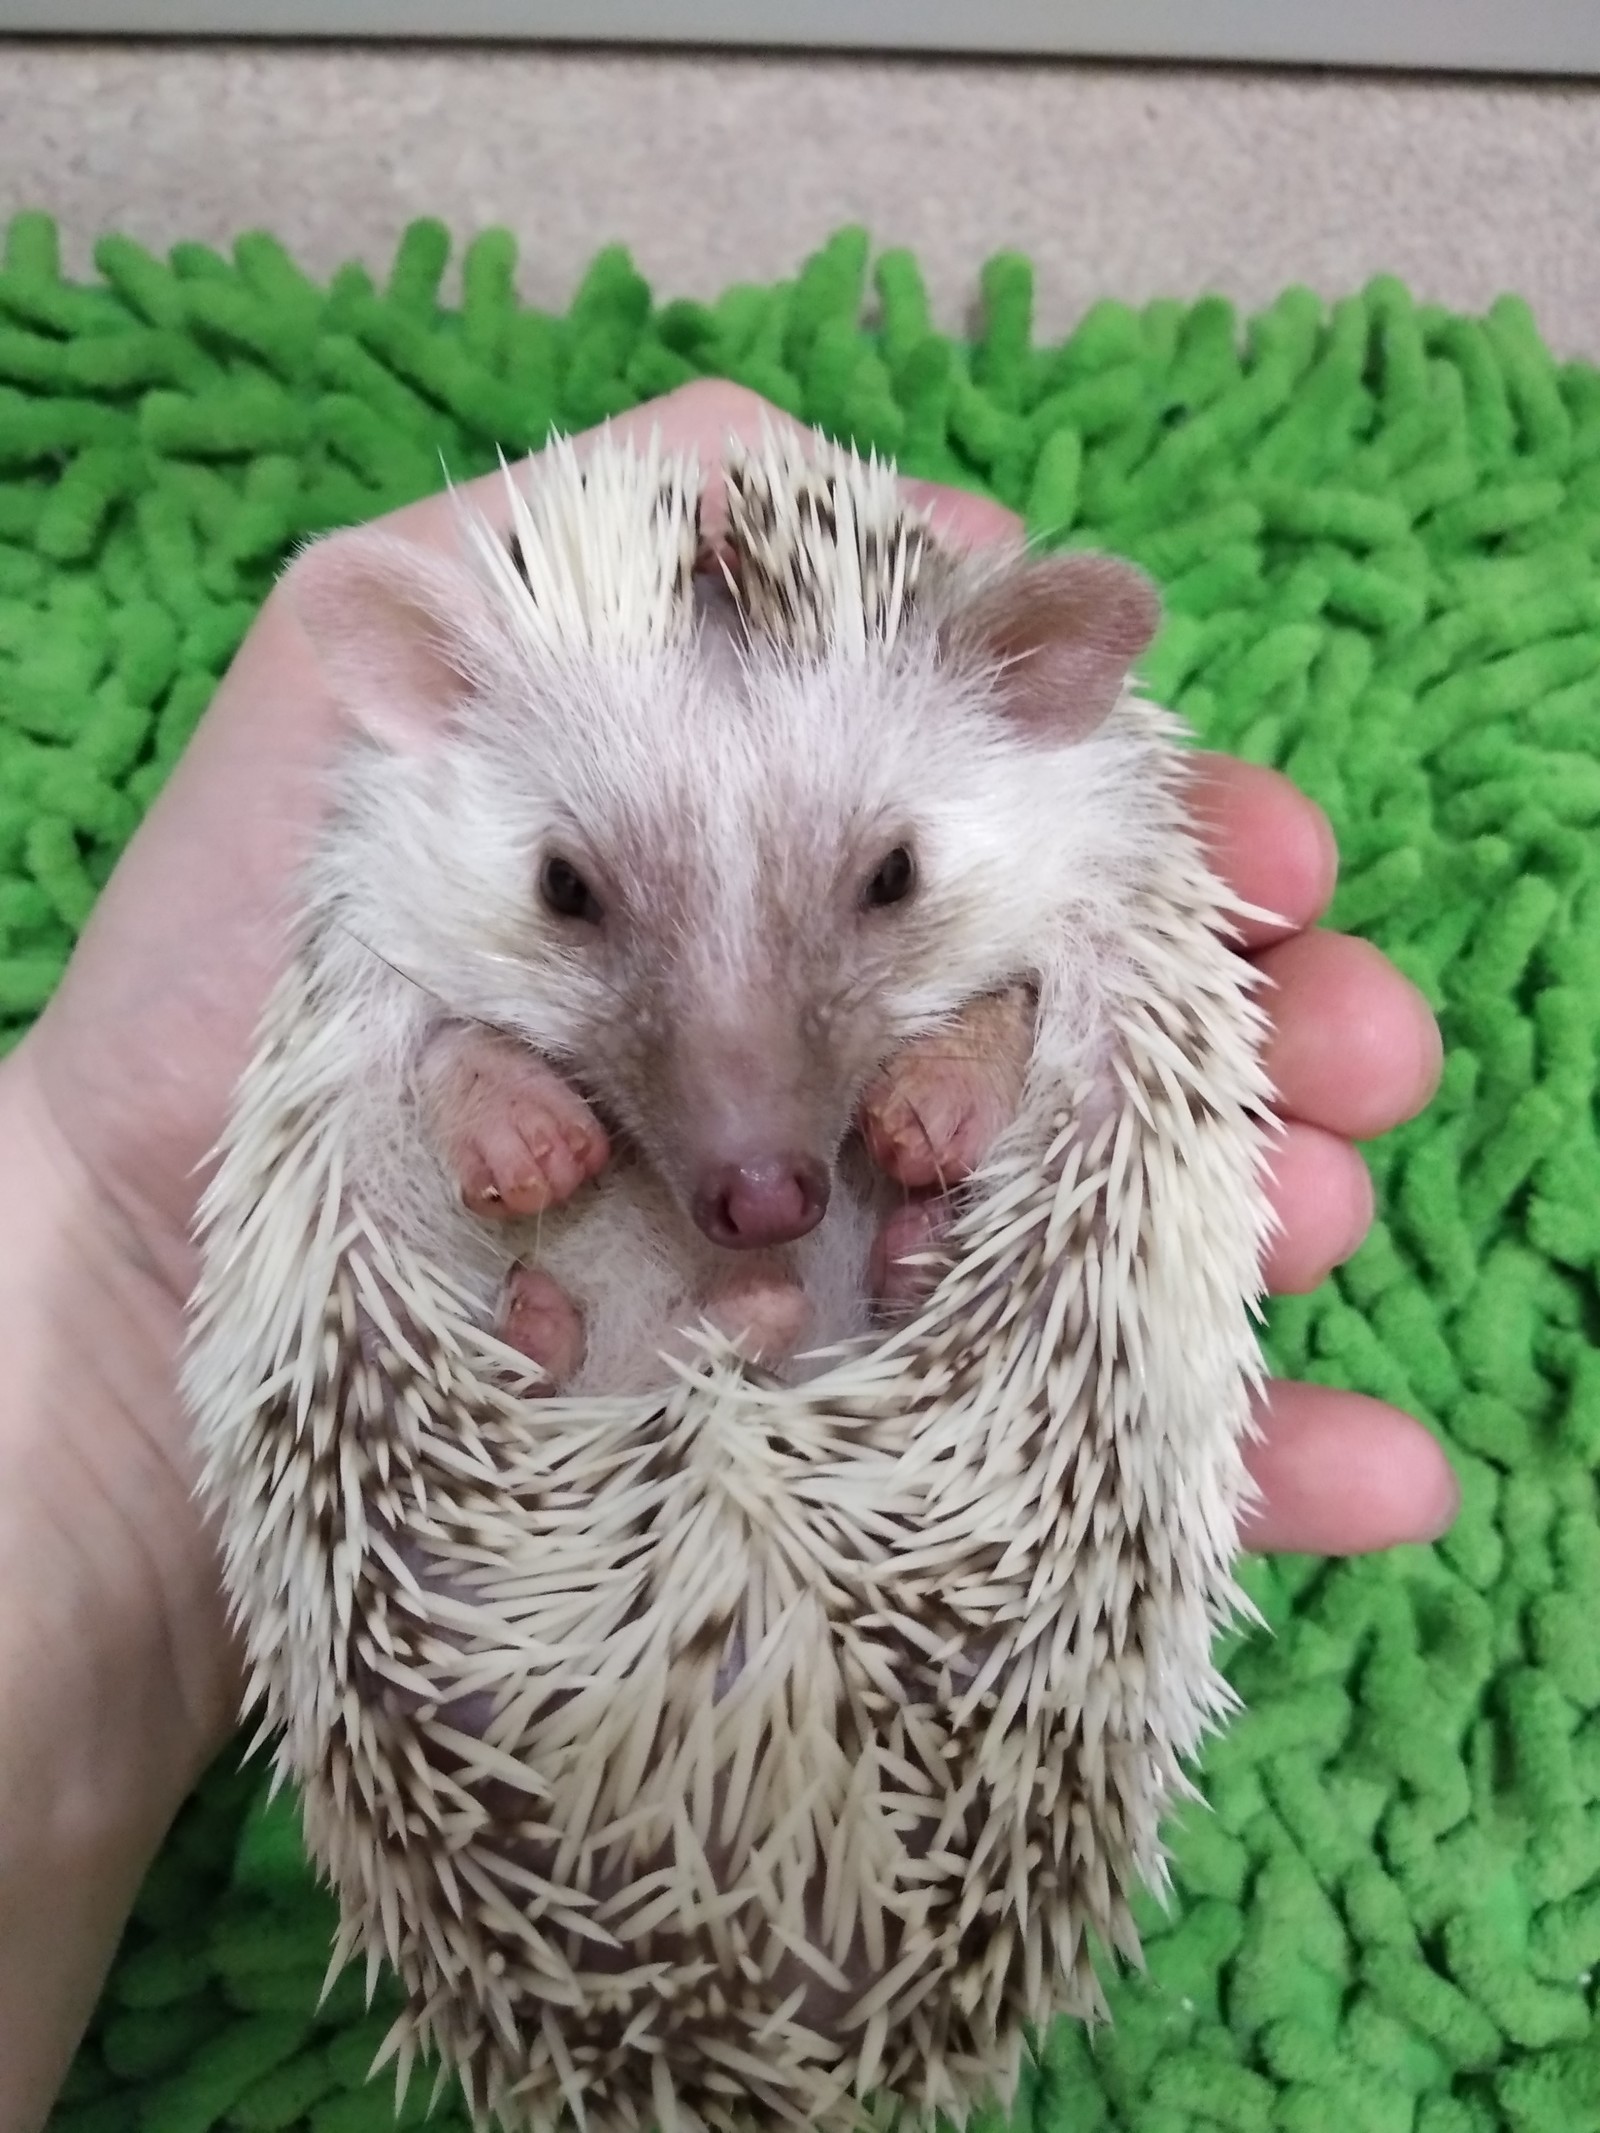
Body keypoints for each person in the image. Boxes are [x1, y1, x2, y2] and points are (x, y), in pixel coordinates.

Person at [0, 380, 1453, 2130]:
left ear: (1042, 682)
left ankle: (731, 1323)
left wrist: (974, 1050)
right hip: (521, 1546)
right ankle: (635, 1354)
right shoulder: (404, 881)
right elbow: (373, 1090)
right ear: (423, 698)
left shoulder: (1066, 871)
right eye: (577, 896)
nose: (750, 1134)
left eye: (885, 881)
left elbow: (1066, 1041)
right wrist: (463, 1070)